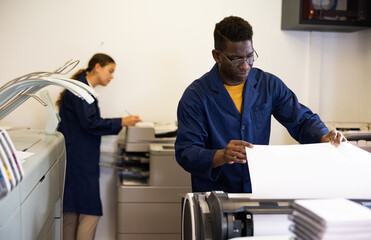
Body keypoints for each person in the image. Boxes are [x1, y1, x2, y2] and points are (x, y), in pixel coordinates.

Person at [175, 16, 346, 194]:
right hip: (215, 197)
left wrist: (323, 137)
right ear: (217, 56)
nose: (245, 66)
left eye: (250, 56)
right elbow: (187, 152)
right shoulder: (196, 96)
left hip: (257, 191)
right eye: (235, 59)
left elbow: (302, 120)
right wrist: (222, 155)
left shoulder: (268, 85)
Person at [56, 53, 142, 240]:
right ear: (97, 67)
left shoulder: (83, 89)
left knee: (71, 212)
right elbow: (91, 124)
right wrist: (122, 121)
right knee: (89, 212)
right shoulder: (81, 91)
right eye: (110, 71)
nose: (112, 76)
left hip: (77, 159)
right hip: (79, 161)